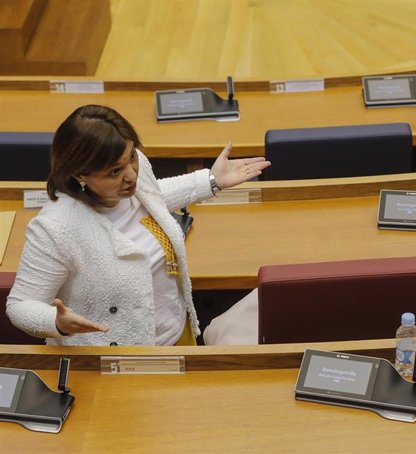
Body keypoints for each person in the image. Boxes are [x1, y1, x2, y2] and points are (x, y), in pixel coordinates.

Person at [6, 104, 270, 346]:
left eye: (131, 157)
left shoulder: (137, 169)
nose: (131, 175)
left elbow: (152, 196)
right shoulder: (55, 228)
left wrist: (211, 180)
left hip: (177, 333)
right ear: (80, 175)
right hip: (116, 359)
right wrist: (56, 323)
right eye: (114, 172)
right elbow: (20, 305)